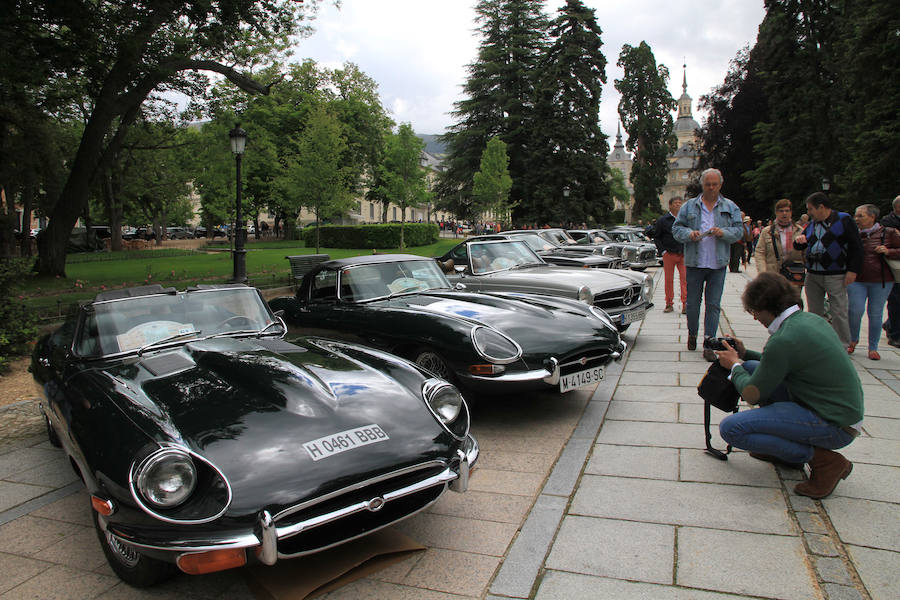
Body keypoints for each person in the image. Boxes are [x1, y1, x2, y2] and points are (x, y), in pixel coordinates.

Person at [716, 272, 863, 499]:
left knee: (731, 429)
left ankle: (825, 462)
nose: (755, 318)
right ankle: (786, 454)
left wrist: (734, 366)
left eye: (755, 312)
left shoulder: (784, 338)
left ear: (768, 307)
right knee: (753, 365)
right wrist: (744, 355)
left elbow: (751, 393)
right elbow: (778, 364)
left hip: (834, 425)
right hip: (841, 413)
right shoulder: (809, 320)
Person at [672, 168, 743, 360]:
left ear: (720, 185)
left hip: (718, 264)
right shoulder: (689, 207)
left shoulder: (730, 207)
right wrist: (689, 234)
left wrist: (723, 233)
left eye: (714, 184)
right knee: (693, 304)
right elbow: (676, 229)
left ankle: (709, 342)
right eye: (707, 185)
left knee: (713, 305)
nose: (711, 188)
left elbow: (739, 230)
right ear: (702, 185)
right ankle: (693, 332)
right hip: (695, 263)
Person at [794, 192, 862, 347]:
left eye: (811, 209)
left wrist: (852, 270)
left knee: (838, 311)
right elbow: (801, 244)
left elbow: (856, 246)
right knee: (814, 311)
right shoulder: (812, 224)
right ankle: (815, 343)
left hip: (835, 273)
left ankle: (842, 345)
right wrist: (799, 242)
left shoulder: (843, 220)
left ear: (821, 207)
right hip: (813, 273)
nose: (809, 212)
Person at [847, 204, 900, 360]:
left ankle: (873, 347)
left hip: (881, 280)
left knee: (875, 314)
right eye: (855, 215)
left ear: (872, 217)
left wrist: (888, 251)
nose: (856, 219)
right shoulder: (852, 233)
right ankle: (853, 339)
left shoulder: (888, 232)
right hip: (857, 279)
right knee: (855, 310)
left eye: (860, 216)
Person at [754, 198, 804, 278]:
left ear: (791, 212)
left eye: (787, 211)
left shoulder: (800, 231)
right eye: (781, 211)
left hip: (793, 273)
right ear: (776, 213)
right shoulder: (767, 231)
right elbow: (760, 252)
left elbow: (805, 253)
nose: (784, 213)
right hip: (773, 274)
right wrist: (762, 272)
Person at [653, 196, 687, 313]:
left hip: (683, 254)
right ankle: (669, 303)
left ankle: (685, 303)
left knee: (685, 279)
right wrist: (663, 251)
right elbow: (656, 237)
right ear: (670, 205)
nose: (678, 205)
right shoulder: (663, 220)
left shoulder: (685, 219)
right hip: (669, 254)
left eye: (680, 203)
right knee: (669, 280)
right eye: (676, 203)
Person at [880, 195, 900, 347]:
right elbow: (884, 248)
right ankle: (894, 335)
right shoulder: (888, 224)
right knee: (895, 300)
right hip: (894, 268)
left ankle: (890, 324)